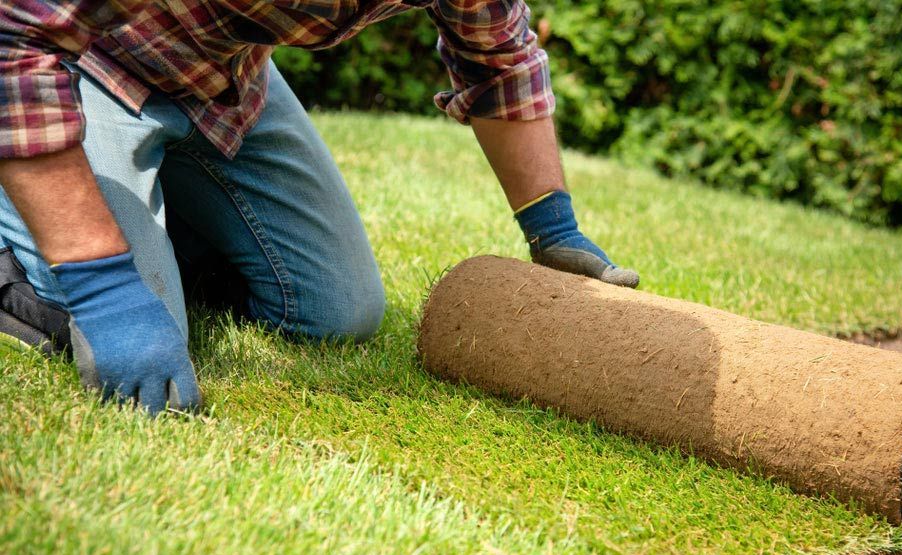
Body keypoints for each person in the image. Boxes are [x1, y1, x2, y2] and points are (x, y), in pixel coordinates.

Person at [0, 1, 639, 415]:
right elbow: (15, 40)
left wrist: (552, 226)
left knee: (336, 313)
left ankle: (161, 219)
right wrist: (104, 283)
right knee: (120, 337)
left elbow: (497, 56)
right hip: (84, 64)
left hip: (222, 78)